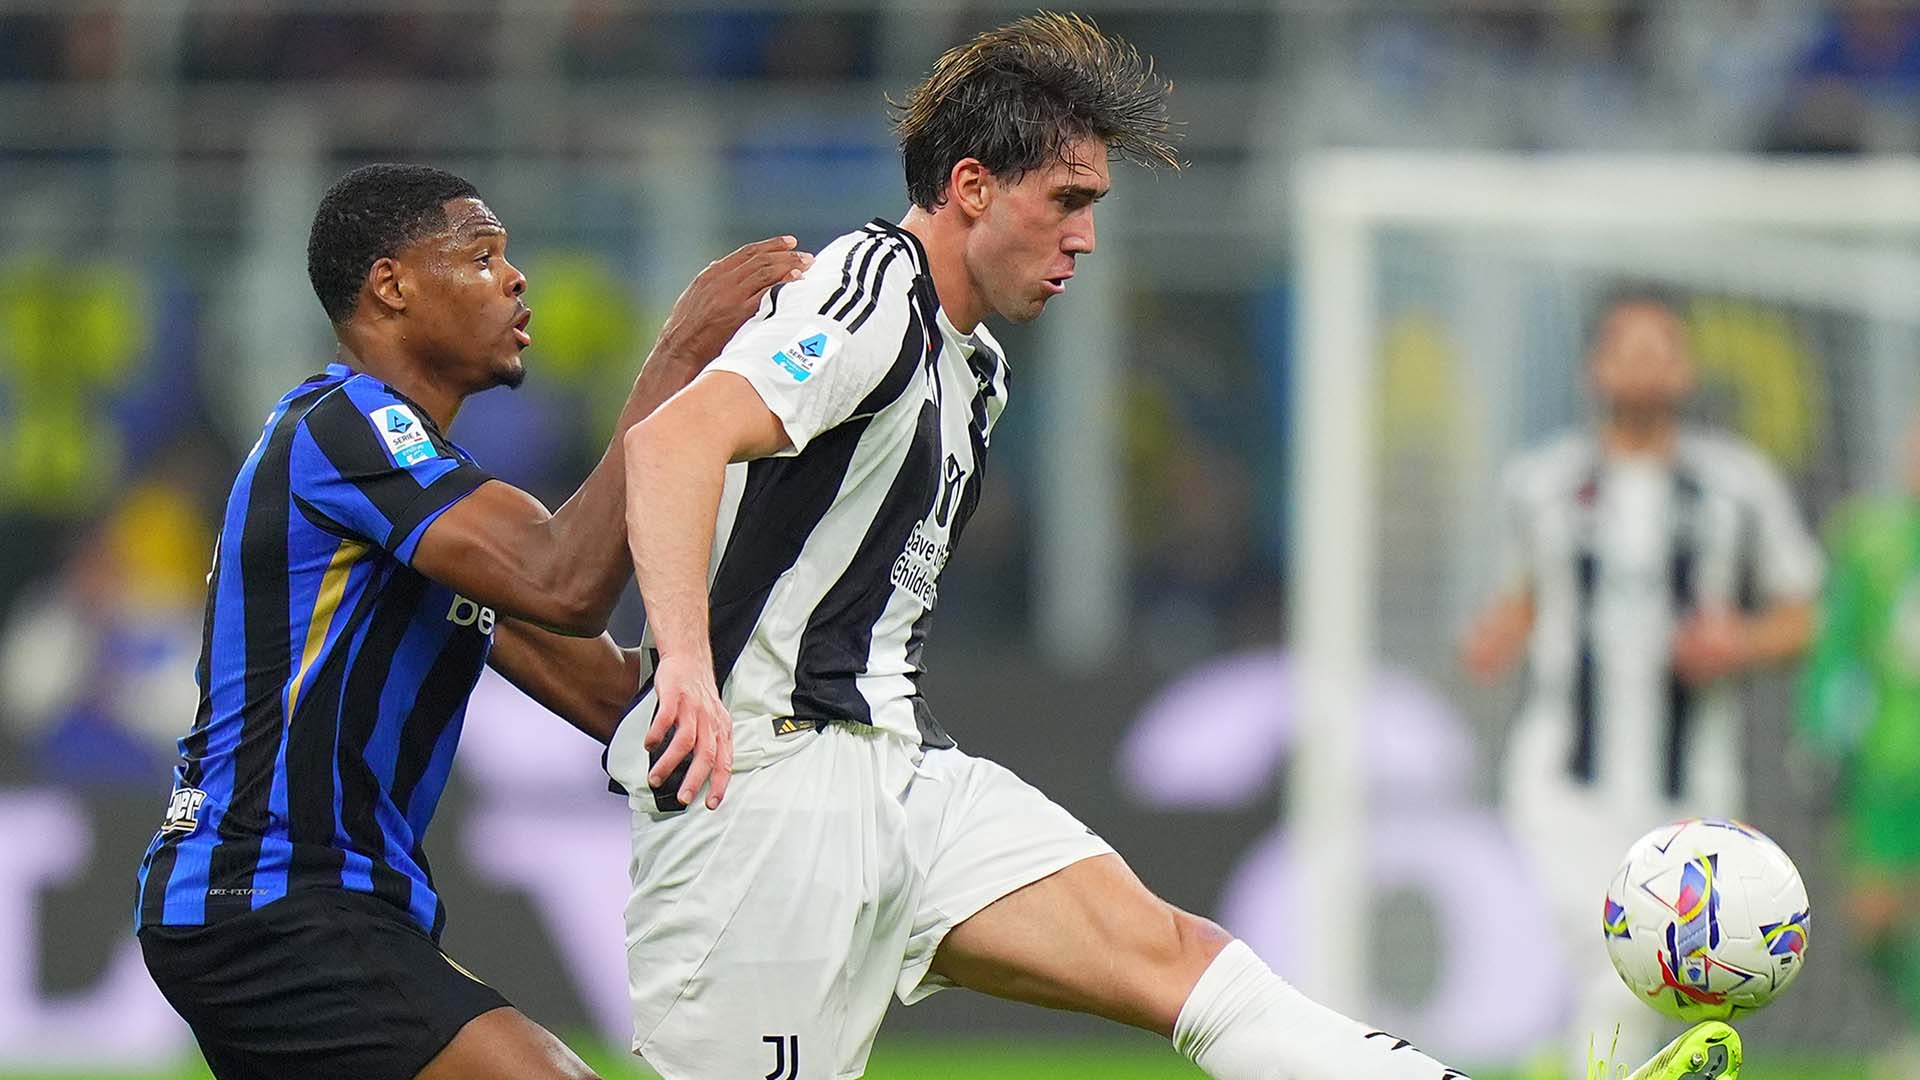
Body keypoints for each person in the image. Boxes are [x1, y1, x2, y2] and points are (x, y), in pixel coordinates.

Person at [605, 15, 1734, 1080]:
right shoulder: (868, 294)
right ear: (971, 188)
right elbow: (672, 444)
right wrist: (688, 669)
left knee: (1180, 960)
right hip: (767, 792)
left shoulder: (975, 367)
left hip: (898, 773)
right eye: (1067, 200)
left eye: (1094, 205)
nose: (1087, 236)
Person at [131, 163, 809, 1080]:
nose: (516, 277)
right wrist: (681, 354)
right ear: (391, 285)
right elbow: (565, 580)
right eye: (482, 255)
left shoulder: (429, 514)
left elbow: (619, 702)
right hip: (272, 893)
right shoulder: (342, 428)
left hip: (326, 905)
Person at [1462, 288, 1822, 1076]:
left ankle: (1572, 1065)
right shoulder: (1541, 482)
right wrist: (1498, 635)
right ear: (1596, 367)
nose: (1644, 366)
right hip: (1564, 776)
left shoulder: (1737, 485)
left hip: (1689, 784)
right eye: (1627, 349)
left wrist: (1739, 641)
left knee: (1646, 967)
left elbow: (1805, 614)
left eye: (1661, 350)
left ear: (1687, 369)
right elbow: (1525, 595)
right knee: (1610, 953)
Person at [1799, 412, 1920, 1079]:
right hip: (1890, 760)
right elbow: (1837, 645)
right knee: (1873, 916)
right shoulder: (1869, 536)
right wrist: (1822, 731)